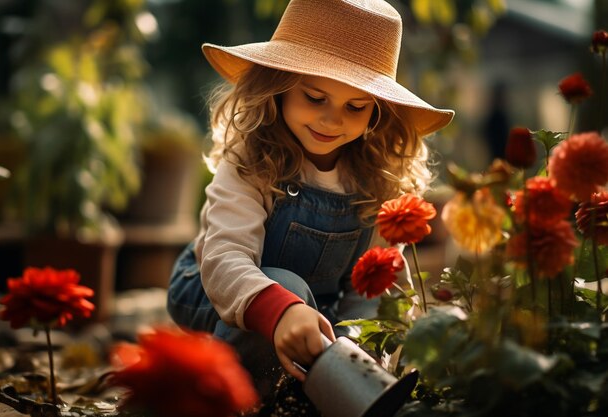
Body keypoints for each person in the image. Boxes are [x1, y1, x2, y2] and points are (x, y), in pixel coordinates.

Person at [167, 0, 454, 396]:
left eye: (355, 107)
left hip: (320, 310)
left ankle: (311, 393)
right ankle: (239, 395)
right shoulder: (251, 161)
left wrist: (362, 351)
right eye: (315, 98)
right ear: (278, 86)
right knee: (285, 284)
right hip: (219, 292)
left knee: (354, 330)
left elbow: (378, 288)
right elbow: (224, 258)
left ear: (376, 113)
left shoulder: (378, 181)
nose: (331, 119)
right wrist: (281, 309)